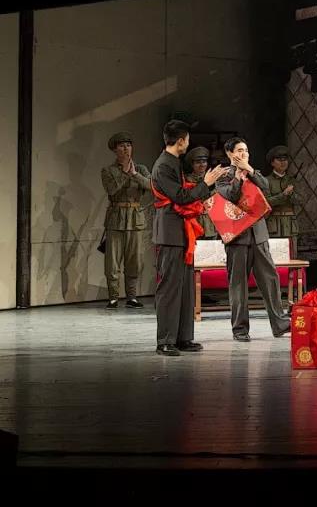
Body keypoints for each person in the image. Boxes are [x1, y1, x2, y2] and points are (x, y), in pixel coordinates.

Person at [151, 120, 227, 356]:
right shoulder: (164, 165)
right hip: (169, 232)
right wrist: (206, 183)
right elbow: (181, 197)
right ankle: (165, 340)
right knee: (170, 288)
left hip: (182, 231)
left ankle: (183, 337)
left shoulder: (174, 162)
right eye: (187, 139)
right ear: (181, 140)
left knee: (185, 288)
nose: (188, 142)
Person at [216, 137, 292, 341]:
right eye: (239, 151)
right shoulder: (223, 176)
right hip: (237, 238)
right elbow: (231, 196)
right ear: (230, 153)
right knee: (238, 285)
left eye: (246, 151)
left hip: (258, 234)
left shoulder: (253, 173)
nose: (244, 154)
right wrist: (238, 178)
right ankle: (240, 329)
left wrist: (248, 170)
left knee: (270, 278)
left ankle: (280, 323)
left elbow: (266, 187)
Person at [100, 131, 151, 309]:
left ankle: (132, 297)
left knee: (134, 260)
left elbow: (151, 186)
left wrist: (135, 174)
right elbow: (111, 190)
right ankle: (113, 297)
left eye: (128, 145)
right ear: (115, 150)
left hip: (135, 218)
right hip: (116, 218)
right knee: (112, 261)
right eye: (122, 146)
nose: (126, 149)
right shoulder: (108, 171)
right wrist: (125, 173)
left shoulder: (141, 169)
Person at [263, 145, 299, 257]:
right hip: (274, 224)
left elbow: (301, 200)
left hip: (290, 224)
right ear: (272, 163)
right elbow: (266, 202)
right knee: (275, 256)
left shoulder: (292, 180)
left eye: (285, 159)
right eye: (279, 160)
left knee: (292, 256)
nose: (283, 162)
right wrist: (283, 195)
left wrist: (292, 195)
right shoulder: (266, 181)